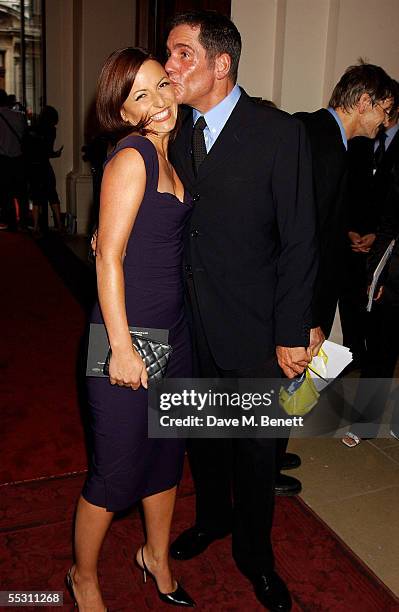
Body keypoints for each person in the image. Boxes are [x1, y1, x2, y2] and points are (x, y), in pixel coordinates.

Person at [165, 11, 317, 611]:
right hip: (187, 322)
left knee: (256, 450)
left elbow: (301, 238)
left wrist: (291, 328)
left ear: (220, 63)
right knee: (201, 436)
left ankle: (256, 556)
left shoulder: (278, 133)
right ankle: (211, 519)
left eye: (182, 55)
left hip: (256, 328)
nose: (171, 66)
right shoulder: (171, 129)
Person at [67, 48, 195, 611]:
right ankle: (84, 576)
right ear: (122, 111)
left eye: (163, 84)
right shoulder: (134, 156)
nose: (161, 99)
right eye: (141, 94)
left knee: (167, 457)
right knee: (115, 475)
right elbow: (108, 259)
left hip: (174, 334)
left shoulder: (175, 156)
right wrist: (120, 347)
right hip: (128, 336)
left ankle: (156, 557)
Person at [294, 62, 395, 362]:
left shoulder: (311, 128)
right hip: (303, 307)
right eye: (385, 110)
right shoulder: (328, 148)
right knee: (291, 396)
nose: (387, 121)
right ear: (364, 103)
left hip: (299, 298)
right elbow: (307, 237)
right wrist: (309, 318)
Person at [339, 81, 399, 371]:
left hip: (389, 258)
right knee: (377, 346)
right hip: (368, 250)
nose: (385, 120)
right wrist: (351, 229)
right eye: (383, 110)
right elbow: (346, 189)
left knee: (383, 345)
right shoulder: (357, 140)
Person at [25, 105, 64, 236]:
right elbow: (47, 151)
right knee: (52, 195)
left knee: (36, 197)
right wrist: (56, 153)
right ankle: (59, 226)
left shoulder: (32, 129)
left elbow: (27, 148)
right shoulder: (51, 130)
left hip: (33, 166)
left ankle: (35, 227)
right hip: (44, 166)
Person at [0, 88, 27, 230]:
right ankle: (23, 221)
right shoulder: (18, 116)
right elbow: (24, 133)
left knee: (6, 192)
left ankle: (10, 222)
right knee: (21, 192)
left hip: (3, 159)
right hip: (18, 158)